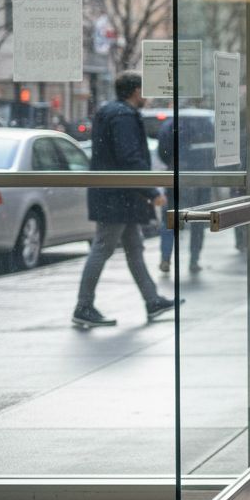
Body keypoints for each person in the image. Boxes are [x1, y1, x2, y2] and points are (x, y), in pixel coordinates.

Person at [72, 72, 179, 329]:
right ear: (136, 91)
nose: (147, 96)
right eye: (145, 90)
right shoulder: (123, 116)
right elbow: (129, 158)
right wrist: (152, 192)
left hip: (118, 194)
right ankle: (83, 306)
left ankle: (152, 300)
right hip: (117, 196)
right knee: (103, 247)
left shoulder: (111, 112)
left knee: (134, 247)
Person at [157, 110, 214, 273]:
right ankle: (194, 260)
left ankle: (166, 258)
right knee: (198, 219)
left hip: (177, 176)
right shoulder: (205, 122)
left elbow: (163, 152)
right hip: (201, 178)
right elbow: (212, 150)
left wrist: (174, 163)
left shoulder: (169, 124)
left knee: (170, 218)